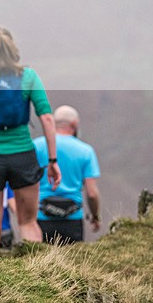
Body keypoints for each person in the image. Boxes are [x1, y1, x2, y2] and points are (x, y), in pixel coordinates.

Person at [0, 26, 61, 251]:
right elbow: (47, 118)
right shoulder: (28, 77)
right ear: (13, 48)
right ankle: (38, 269)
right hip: (22, 154)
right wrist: (52, 160)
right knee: (28, 222)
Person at [34, 105, 101, 244]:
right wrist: (95, 216)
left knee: (40, 257)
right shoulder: (86, 151)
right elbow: (92, 193)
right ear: (75, 124)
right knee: (73, 257)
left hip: (42, 217)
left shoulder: (36, 146)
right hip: (72, 219)